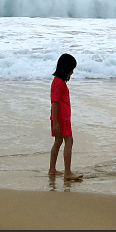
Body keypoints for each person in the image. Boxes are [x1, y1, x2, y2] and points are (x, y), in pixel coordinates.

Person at [49, 53, 83, 181]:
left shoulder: (57, 81)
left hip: (59, 118)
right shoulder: (59, 83)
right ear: (66, 69)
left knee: (58, 142)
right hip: (61, 119)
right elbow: (55, 102)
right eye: (71, 69)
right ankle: (67, 172)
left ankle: (52, 169)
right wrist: (56, 122)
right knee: (69, 141)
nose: (72, 72)